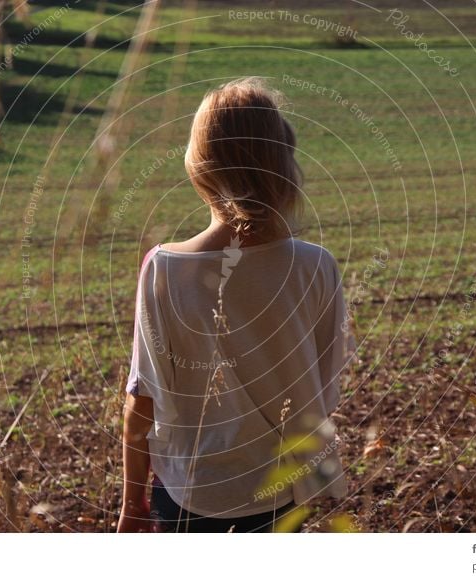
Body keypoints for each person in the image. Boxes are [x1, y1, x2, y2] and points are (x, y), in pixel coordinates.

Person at [118, 77, 354, 533]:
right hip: (282, 490)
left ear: (199, 167)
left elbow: (141, 401)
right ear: (284, 165)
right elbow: (323, 387)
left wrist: (132, 506)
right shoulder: (316, 266)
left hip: (188, 490)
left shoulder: (163, 269)